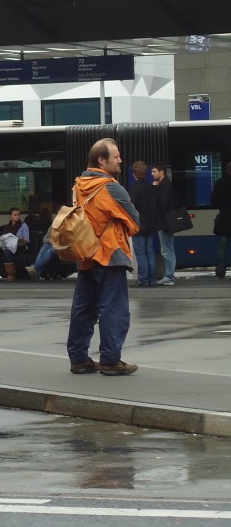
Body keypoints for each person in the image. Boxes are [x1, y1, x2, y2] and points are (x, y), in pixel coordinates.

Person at [66, 137, 140, 376]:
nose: (120, 160)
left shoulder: (79, 185)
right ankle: (110, 360)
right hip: (110, 253)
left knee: (83, 307)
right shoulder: (111, 187)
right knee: (113, 308)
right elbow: (134, 221)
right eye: (116, 156)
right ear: (101, 159)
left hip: (85, 252)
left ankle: (78, 359)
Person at [151, 162, 183, 286]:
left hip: (165, 223)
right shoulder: (166, 184)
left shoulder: (163, 186)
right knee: (168, 249)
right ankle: (169, 276)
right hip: (167, 222)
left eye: (154, 171)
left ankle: (169, 277)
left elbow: (161, 204)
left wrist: (154, 188)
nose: (152, 174)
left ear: (161, 172)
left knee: (167, 251)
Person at [129, 166, 159, 287]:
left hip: (139, 225)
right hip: (151, 225)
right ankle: (152, 280)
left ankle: (143, 280)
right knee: (150, 252)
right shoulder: (151, 187)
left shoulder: (134, 188)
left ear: (134, 174)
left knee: (140, 253)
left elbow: (131, 206)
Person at [0, 207, 29, 282]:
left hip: (19, 245)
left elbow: (27, 240)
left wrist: (16, 239)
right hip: (7, 244)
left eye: (18, 215)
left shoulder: (23, 225)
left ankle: (10, 275)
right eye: (15, 215)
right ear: (11, 216)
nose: (17, 216)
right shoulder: (7, 227)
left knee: (7, 251)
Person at [213, 161, 231, 280]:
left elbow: (213, 199)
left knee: (223, 245)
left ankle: (221, 268)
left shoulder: (220, 182)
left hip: (225, 218)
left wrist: (222, 207)